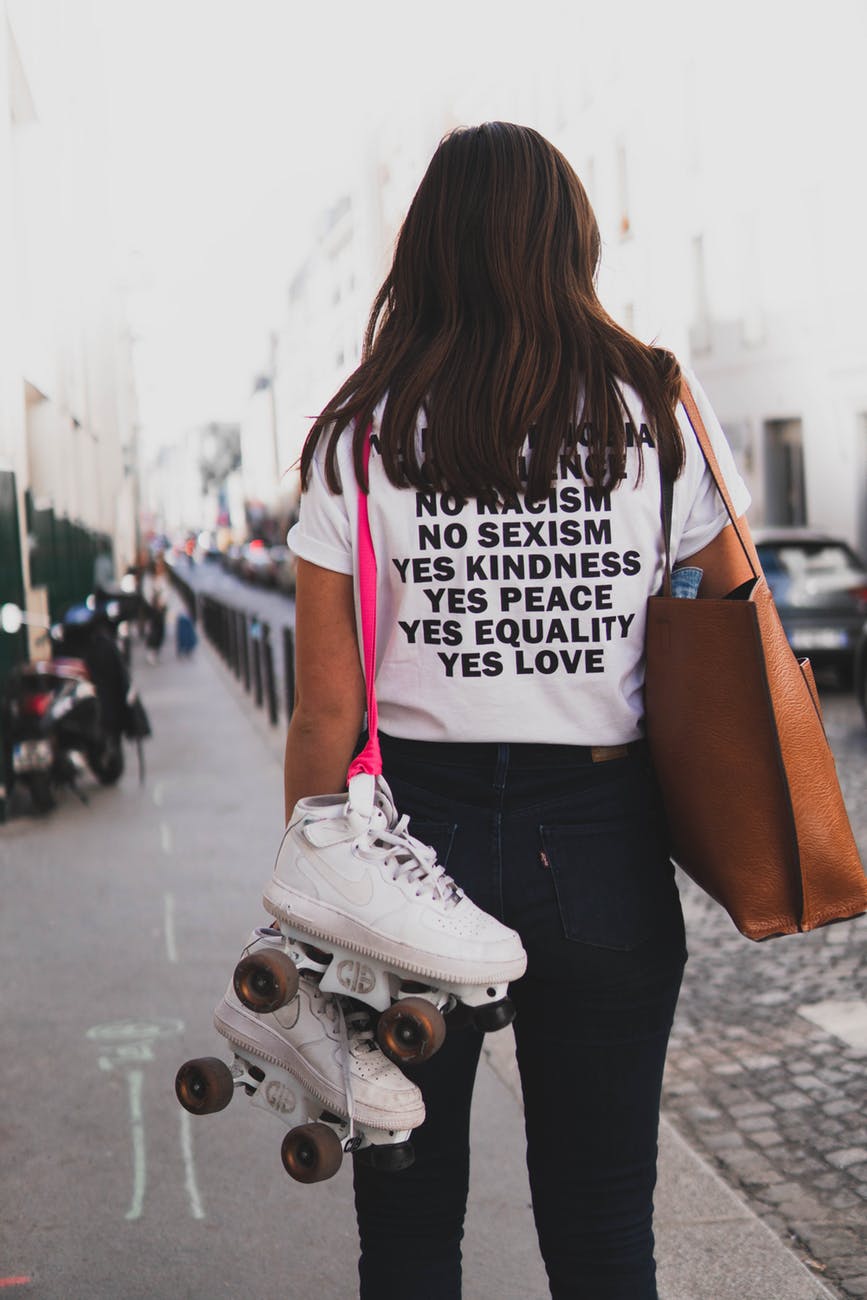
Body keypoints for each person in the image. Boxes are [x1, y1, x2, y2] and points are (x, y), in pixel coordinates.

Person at [284, 123, 757, 1300]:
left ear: (427, 251)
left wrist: (302, 884)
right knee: (602, 1226)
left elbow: (324, 710)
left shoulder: (360, 435)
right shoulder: (655, 408)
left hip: (407, 848)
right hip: (601, 837)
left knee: (405, 1220)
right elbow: (726, 627)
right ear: (571, 240)